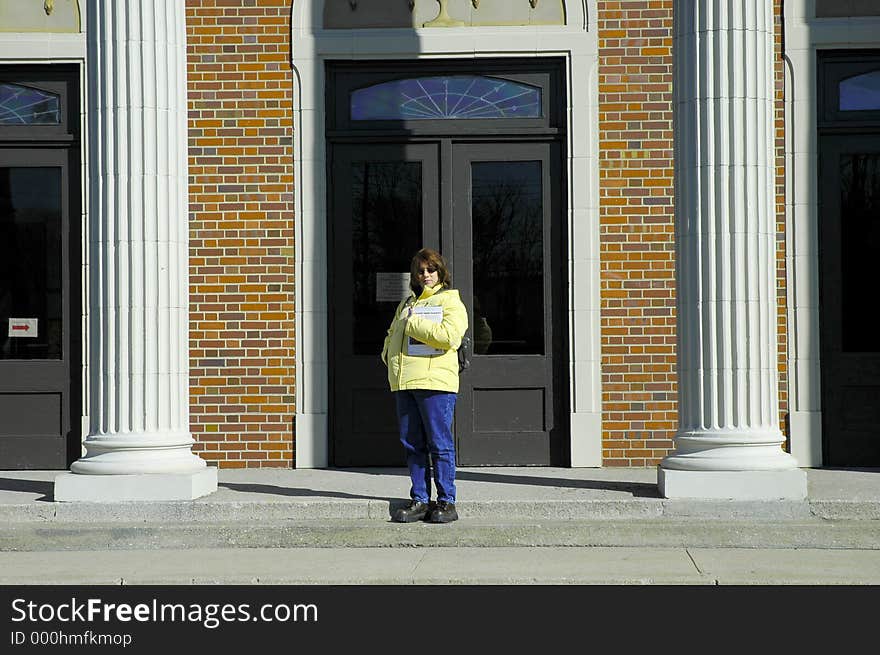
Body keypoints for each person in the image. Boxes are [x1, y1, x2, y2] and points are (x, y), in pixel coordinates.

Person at [381, 248, 468, 523]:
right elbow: (393, 334)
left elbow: (449, 337)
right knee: (412, 445)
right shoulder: (407, 302)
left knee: (439, 444)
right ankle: (419, 499)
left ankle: (446, 502)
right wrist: (386, 353)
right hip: (405, 381)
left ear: (440, 272)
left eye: (431, 270)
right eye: (420, 271)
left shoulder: (450, 301)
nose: (426, 275)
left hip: (435, 383)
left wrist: (413, 322)